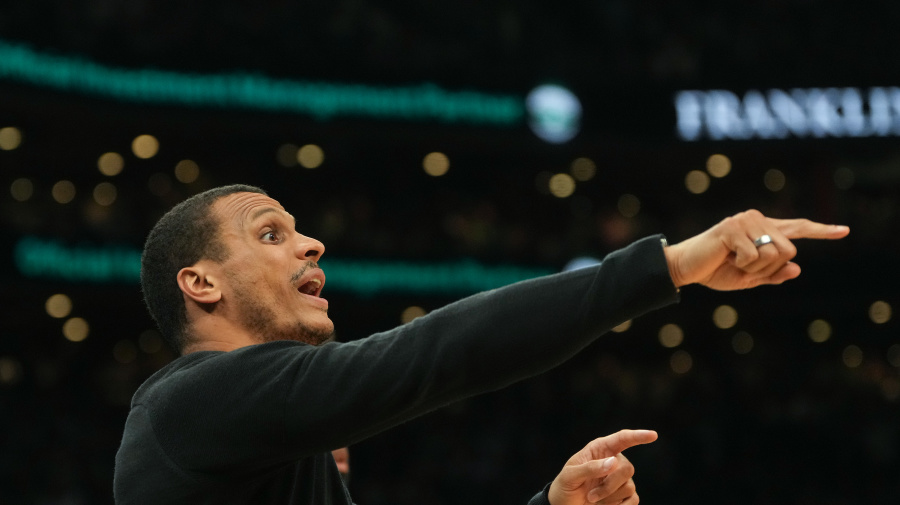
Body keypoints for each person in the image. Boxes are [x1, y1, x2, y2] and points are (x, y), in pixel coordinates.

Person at [114, 184, 849, 504]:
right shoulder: (191, 402)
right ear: (200, 283)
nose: (311, 241)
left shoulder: (270, 439)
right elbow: (438, 351)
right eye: (270, 232)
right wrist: (670, 264)